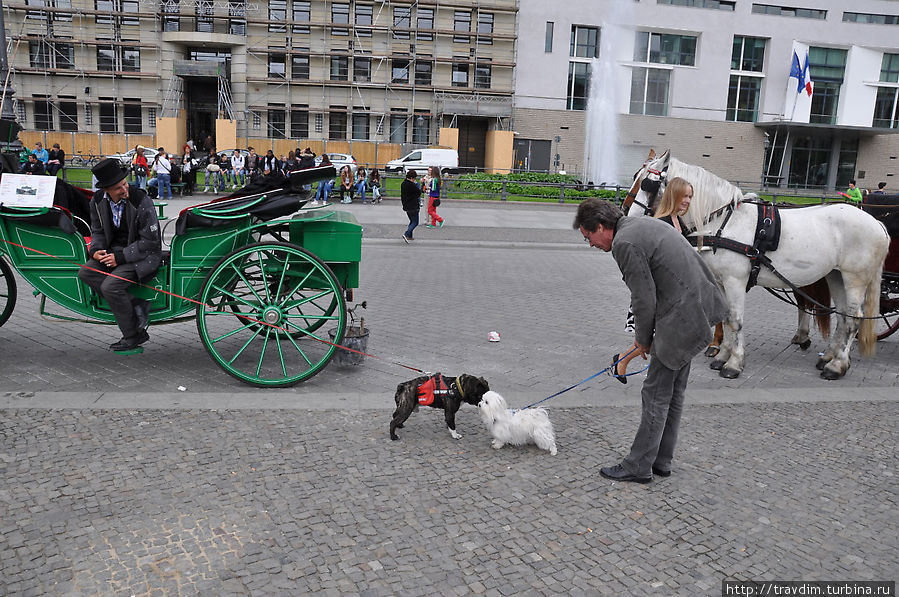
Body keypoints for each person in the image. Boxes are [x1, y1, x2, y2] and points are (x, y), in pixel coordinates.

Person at [573, 198, 727, 483]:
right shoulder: (639, 224)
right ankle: (661, 460)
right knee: (673, 391)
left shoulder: (624, 243)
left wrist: (642, 341)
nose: (591, 244)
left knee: (655, 393)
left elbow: (643, 299)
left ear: (602, 227)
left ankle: (639, 465)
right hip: (700, 308)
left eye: (588, 236)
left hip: (684, 316)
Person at [78, 158, 161, 351]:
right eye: (118, 188)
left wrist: (120, 257)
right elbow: (97, 231)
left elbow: (150, 241)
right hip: (114, 253)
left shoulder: (140, 199)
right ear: (106, 190)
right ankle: (137, 305)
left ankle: (133, 335)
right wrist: (95, 251)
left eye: (124, 183)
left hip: (142, 255)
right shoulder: (97, 201)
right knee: (85, 272)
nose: (124, 190)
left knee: (111, 286)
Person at [401, 169, 422, 243]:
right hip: (413, 206)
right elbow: (418, 193)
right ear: (412, 178)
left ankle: (410, 236)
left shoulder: (403, 183)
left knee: (412, 221)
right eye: (414, 178)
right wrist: (417, 184)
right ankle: (406, 234)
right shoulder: (412, 185)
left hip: (406, 206)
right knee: (415, 222)